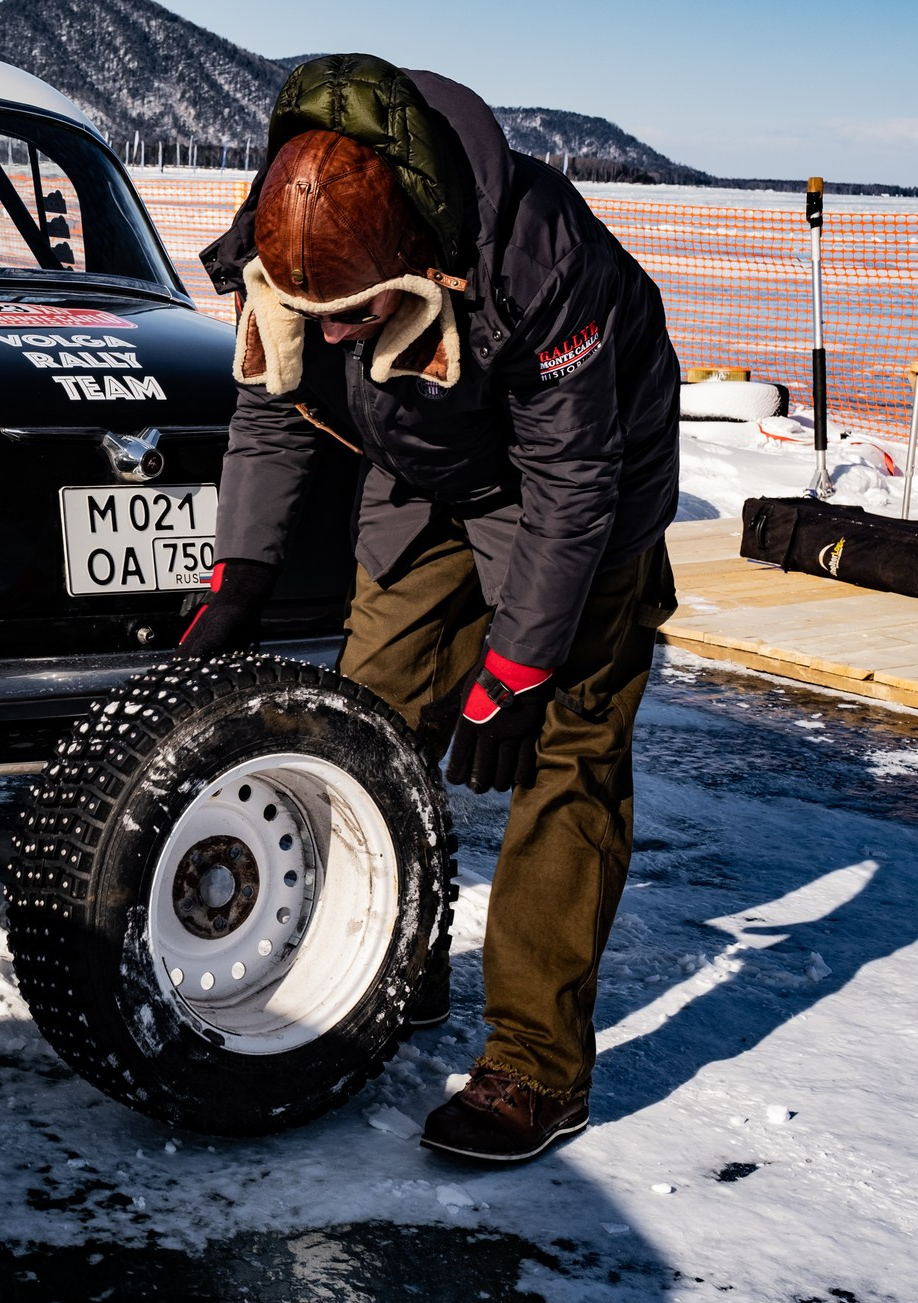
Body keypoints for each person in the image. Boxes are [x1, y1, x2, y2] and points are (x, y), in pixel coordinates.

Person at [184, 55, 681, 1164]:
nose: (341, 333)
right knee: (371, 713)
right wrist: (242, 572)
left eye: (360, 315)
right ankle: (388, 958)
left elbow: (571, 486)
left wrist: (512, 671)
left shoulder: (538, 259)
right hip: (423, 464)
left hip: (582, 495)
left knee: (563, 751)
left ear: (418, 262)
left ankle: (534, 1066)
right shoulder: (294, 213)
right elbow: (271, 407)